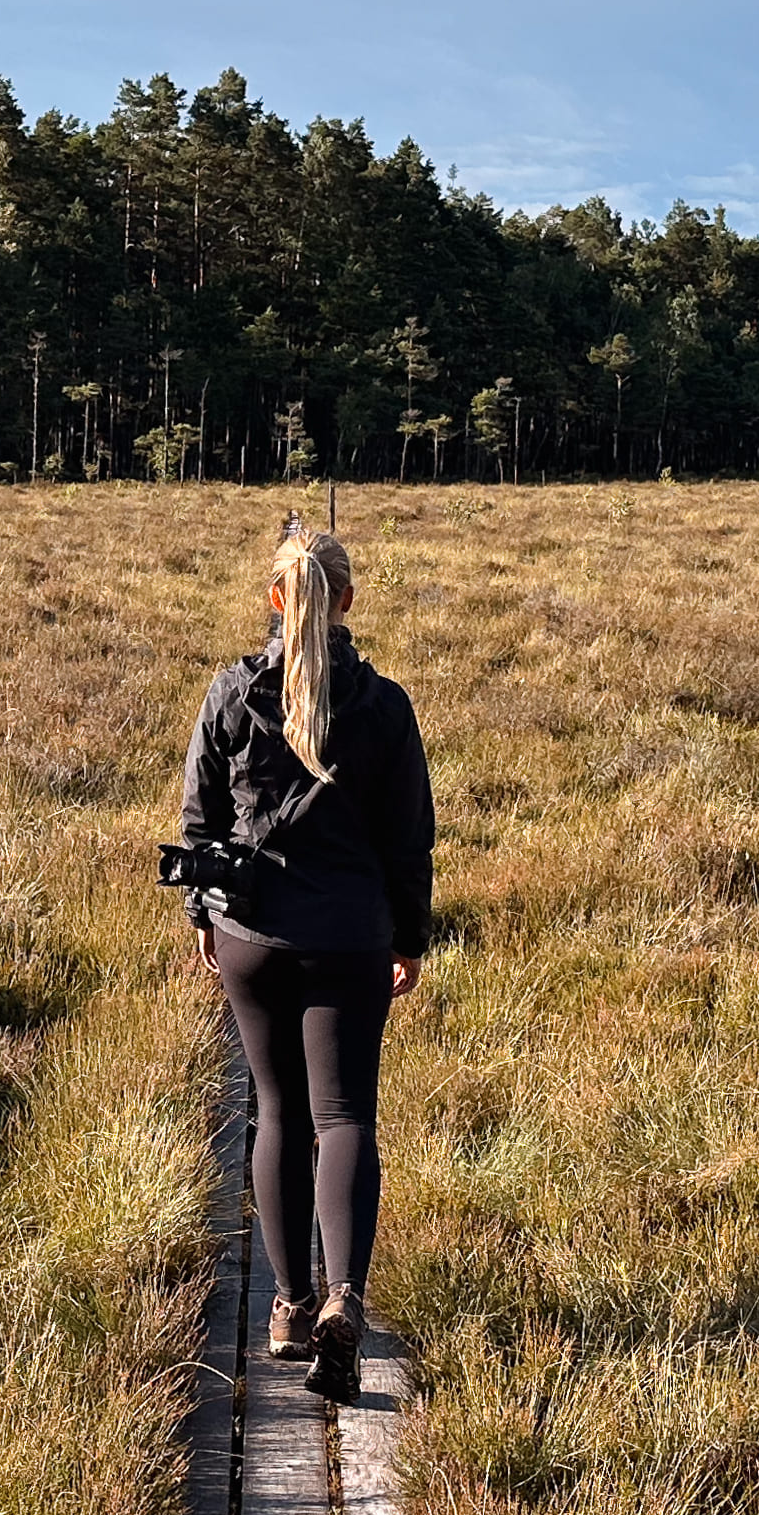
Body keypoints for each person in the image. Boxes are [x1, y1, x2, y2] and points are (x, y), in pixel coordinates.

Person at [178, 517, 436, 1400]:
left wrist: (204, 916)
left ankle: (286, 1306)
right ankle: (344, 1299)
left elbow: (199, 822)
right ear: (347, 603)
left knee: (277, 1112)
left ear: (274, 600)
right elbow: (410, 842)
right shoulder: (387, 706)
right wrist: (408, 938)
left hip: (253, 938)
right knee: (344, 1116)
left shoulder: (228, 693)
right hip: (352, 940)